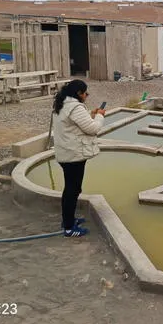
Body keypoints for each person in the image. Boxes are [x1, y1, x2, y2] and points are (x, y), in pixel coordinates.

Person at [52, 80, 106, 237]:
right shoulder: (75, 106)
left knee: (72, 188)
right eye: (85, 93)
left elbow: (73, 123)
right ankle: (69, 228)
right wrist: (100, 117)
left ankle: (68, 219)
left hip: (66, 153)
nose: (86, 96)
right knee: (72, 190)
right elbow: (93, 128)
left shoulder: (62, 103)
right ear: (78, 93)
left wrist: (91, 115)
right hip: (73, 155)